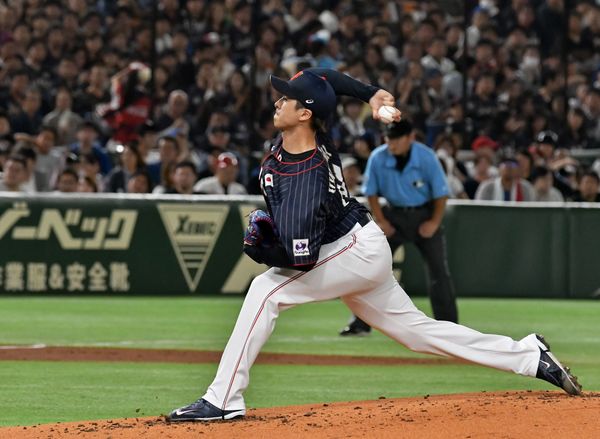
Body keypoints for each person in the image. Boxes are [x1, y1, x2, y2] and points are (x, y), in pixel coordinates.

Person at [167, 69, 581, 423]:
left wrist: (262, 251)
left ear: (305, 113)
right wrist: (370, 94)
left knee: (265, 290)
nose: (278, 101)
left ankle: (223, 398)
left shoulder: (305, 175)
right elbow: (325, 80)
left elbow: (300, 259)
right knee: (417, 333)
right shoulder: (307, 133)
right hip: (355, 244)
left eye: (287, 98)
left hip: (351, 251)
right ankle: (528, 355)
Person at [340, 119, 458, 337]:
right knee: (372, 268)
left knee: (439, 272)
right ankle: (360, 323)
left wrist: (434, 222)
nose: (391, 143)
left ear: (410, 137)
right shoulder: (378, 156)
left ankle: (450, 327)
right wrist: (381, 220)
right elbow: (371, 193)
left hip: (424, 214)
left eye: (396, 138)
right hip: (392, 215)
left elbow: (441, 194)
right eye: (388, 138)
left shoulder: (426, 156)